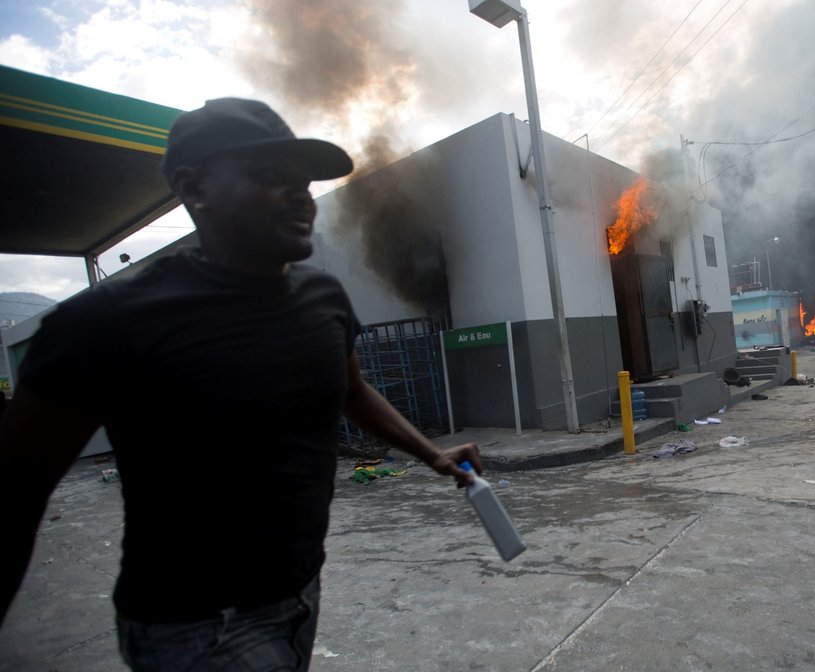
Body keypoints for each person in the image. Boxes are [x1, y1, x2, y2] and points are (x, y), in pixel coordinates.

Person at [0, 97, 483, 671]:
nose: (302, 196)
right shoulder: (106, 323)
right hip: (196, 625)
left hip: (300, 591)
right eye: (270, 177)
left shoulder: (321, 297)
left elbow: (351, 391)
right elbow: (14, 492)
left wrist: (432, 455)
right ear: (194, 187)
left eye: (303, 182)